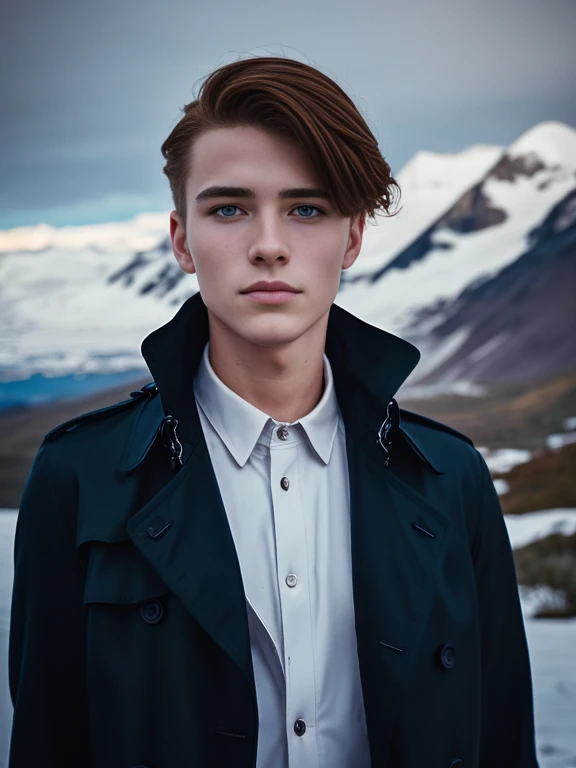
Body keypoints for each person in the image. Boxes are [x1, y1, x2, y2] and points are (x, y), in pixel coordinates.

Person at [8, 56, 539, 768]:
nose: (268, 244)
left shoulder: (452, 480)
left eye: (306, 209)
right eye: (228, 208)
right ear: (180, 240)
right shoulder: (77, 479)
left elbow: (501, 740)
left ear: (352, 238)